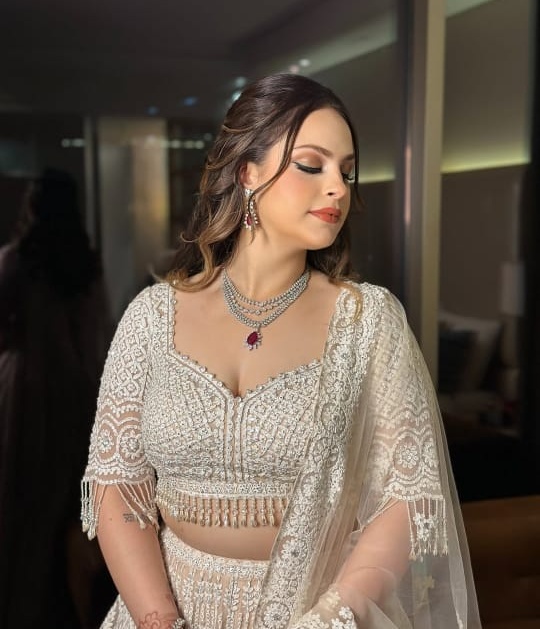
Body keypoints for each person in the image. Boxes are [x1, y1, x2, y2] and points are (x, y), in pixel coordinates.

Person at [81, 74, 481, 629]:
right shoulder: (151, 318)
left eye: (347, 171)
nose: (337, 187)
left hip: (316, 613)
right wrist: (157, 618)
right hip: (160, 611)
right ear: (247, 172)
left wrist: (329, 619)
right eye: (312, 165)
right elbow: (116, 484)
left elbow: (407, 496)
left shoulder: (367, 321)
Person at [0, 168, 112, 627]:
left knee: (23, 498)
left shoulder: (14, 261)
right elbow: (97, 334)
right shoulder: (86, 265)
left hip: (24, 390)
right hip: (75, 390)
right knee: (67, 502)